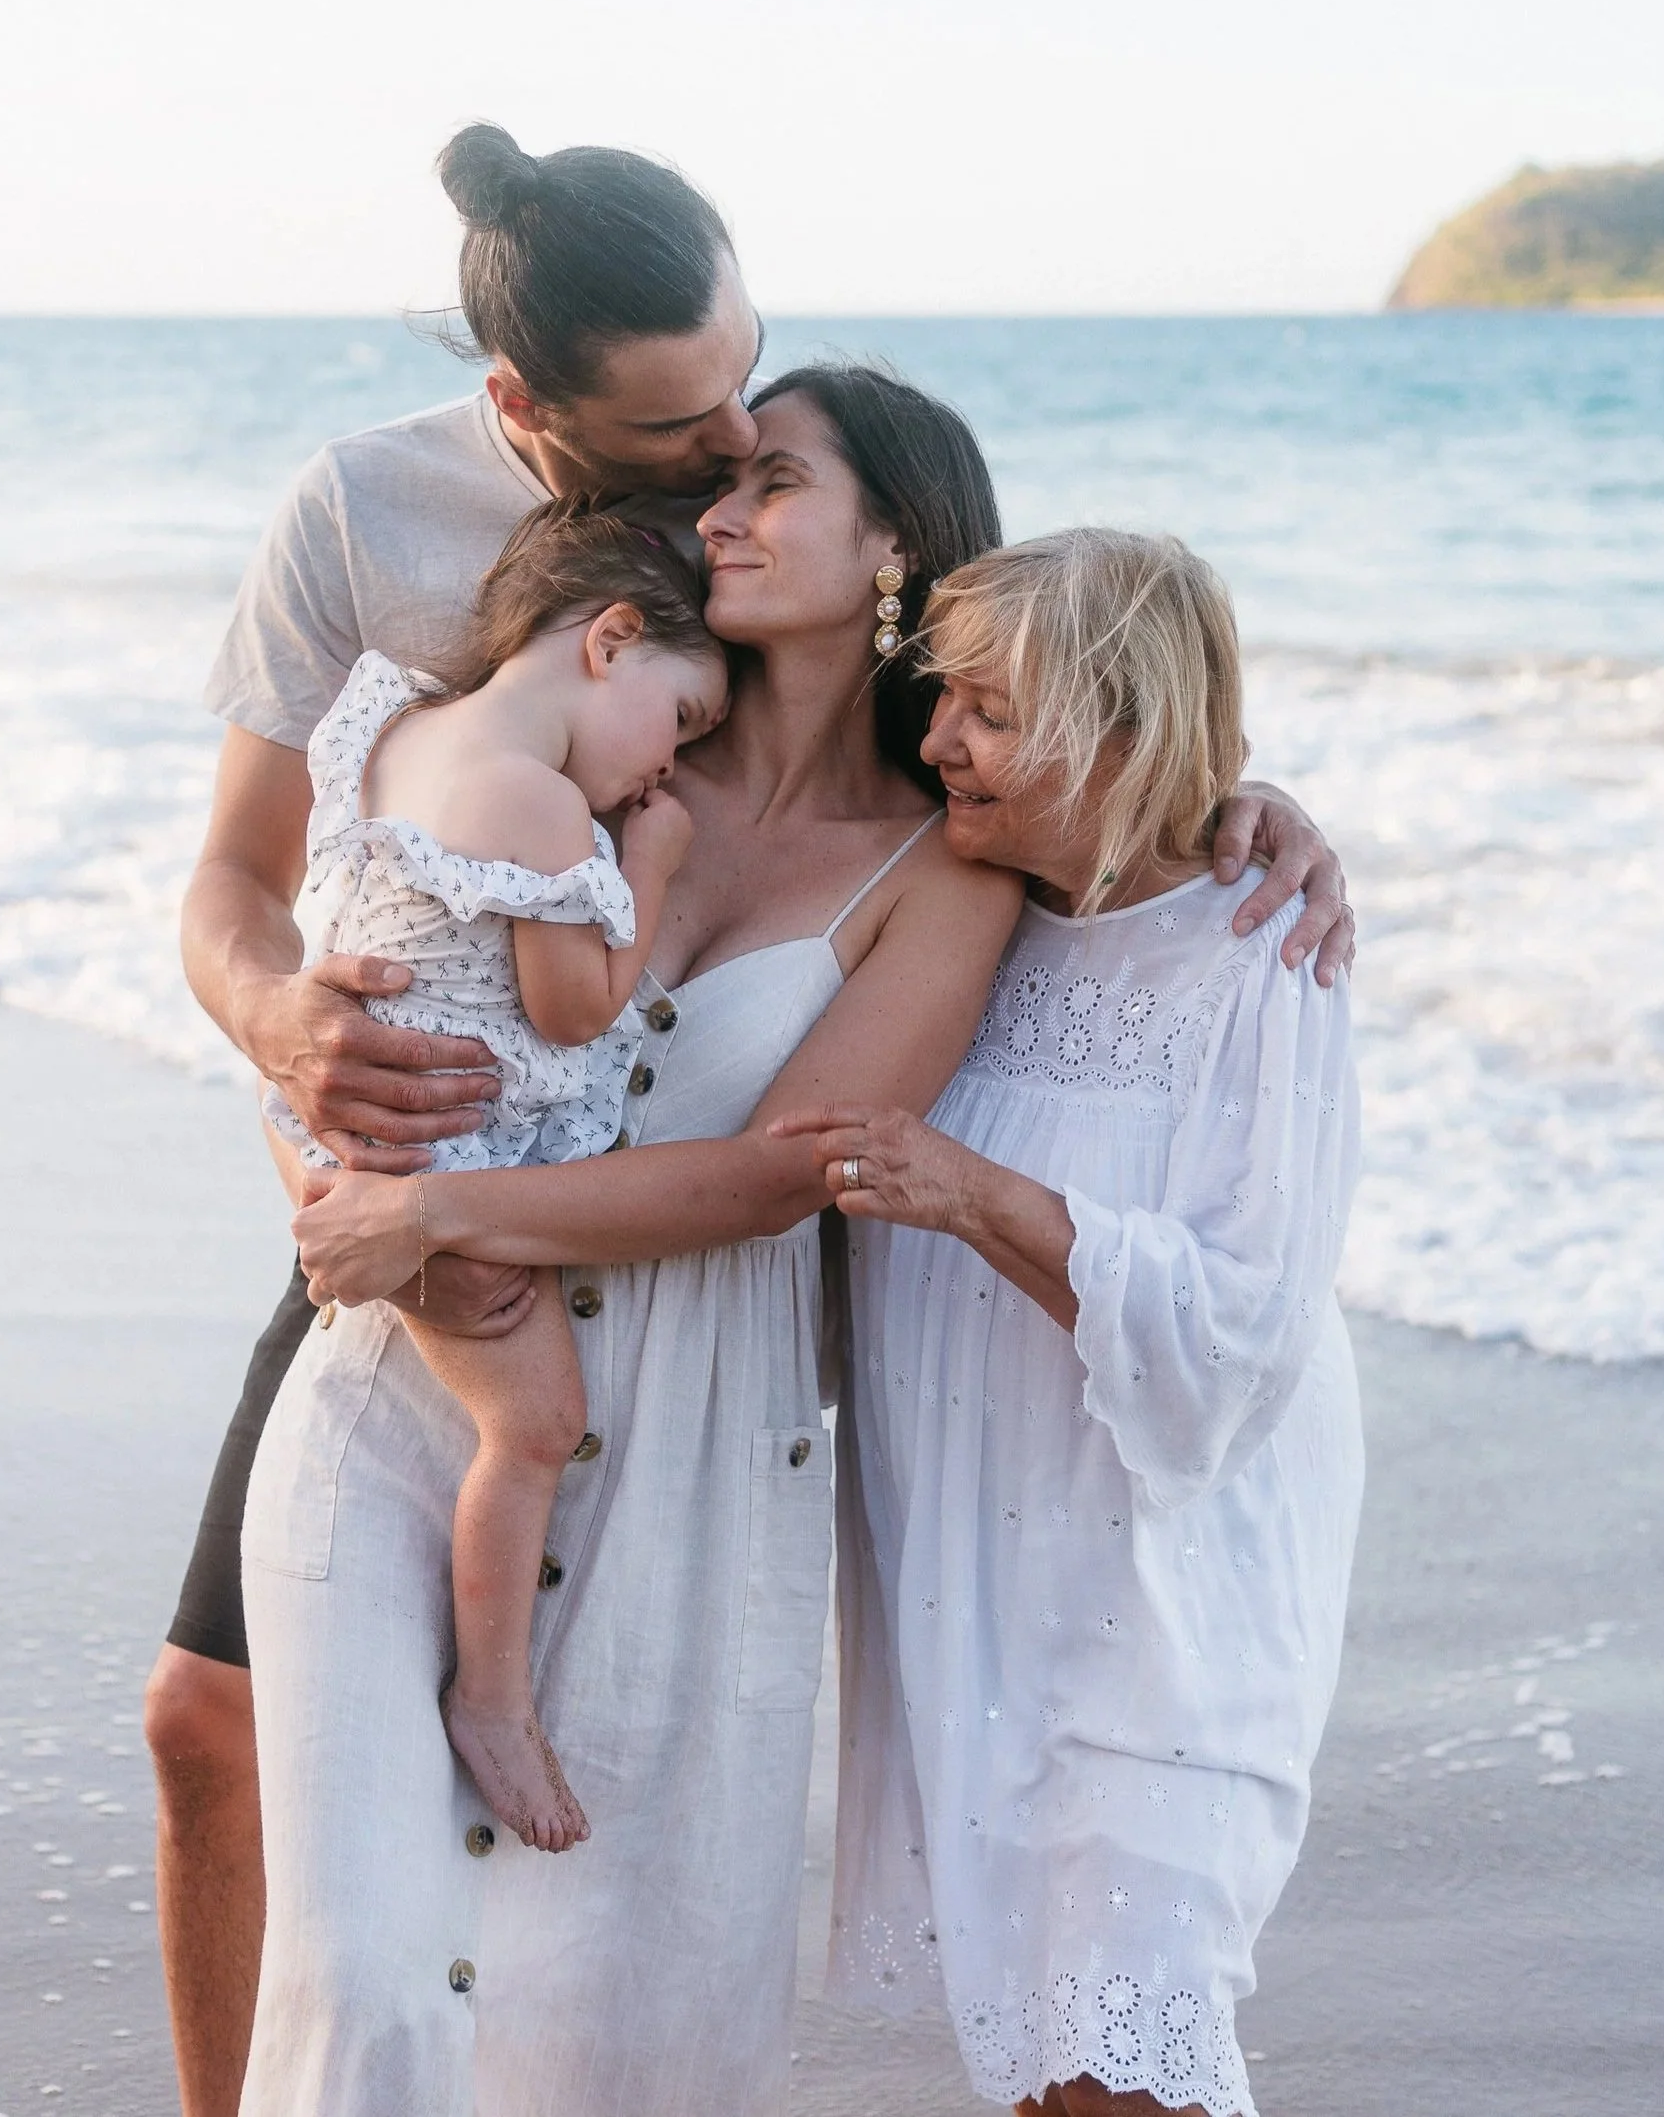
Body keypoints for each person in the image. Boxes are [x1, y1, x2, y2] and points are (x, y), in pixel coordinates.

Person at [146, 120, 1353, 2117]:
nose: (722, 466)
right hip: (416, 1294)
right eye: (694, 438)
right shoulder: (396, 535)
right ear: (532, 410)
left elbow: (1075, 697)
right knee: (311, 1894)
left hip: (660, 1365)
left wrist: (1241, 806)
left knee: (605, 2020)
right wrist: (288, 1040)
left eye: (757, 428)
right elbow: (257, 880)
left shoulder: (928, 815)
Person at [776, 529, 1364, 2117]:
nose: (941, 738)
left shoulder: (1265, 956)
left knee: (1133, 2068)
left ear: (1126, 730)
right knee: (1056, 2075)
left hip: (1174, 1604)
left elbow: (1241, 1334)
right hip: (983, 1587)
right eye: (942, 697)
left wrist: (969, 1194)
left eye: (988, 707)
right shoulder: (979, 913)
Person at [260, 503, 729, 1851]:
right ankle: (496, 1698)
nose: (664, 771)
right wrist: (643, 870)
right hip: (438, 1157)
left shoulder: (397, 727)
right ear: (613, 641)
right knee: (534, 1427)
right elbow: (575, 1007)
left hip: (332, 1122)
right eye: (683, 722)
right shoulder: (542, 807)